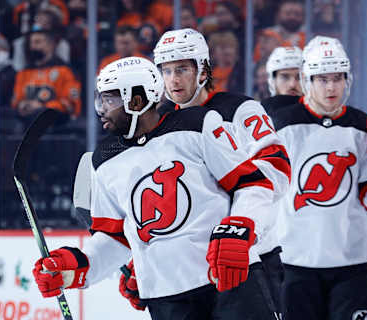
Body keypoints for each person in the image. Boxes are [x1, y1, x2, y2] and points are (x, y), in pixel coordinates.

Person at [32, 56, 290, 320]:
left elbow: (252, 183)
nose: (101, 109)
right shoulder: (104, 160)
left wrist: (241, 227)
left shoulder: (198, 124)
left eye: (109, 100)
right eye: (101, 100)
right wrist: (77, 267)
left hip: (229, 279)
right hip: (167, 297)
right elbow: (115, 237)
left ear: (137, 101)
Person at [121, 28, 291, 317]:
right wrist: (140, 258)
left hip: (252, 258)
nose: (174, 79)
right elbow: (166, 204)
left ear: (203, 70)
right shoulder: (163, 127)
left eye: (183, 69)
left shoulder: (239, 109)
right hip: (191, 271)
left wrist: (239, 224)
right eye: (166, 70)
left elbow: (276, 170)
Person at [271, 36, 367, 320]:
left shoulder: (365, 128)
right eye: (322, 79)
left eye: (337, 78)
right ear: (307, 79)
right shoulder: (281, 127)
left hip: (353, 269)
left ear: (348, 79)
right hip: (295, 267)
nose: (331, 87)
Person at [11, 28, 81, 126]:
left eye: (37, 42)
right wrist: (22, 105)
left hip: (56, 123)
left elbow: (70, 104)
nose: (32, 46)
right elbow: (16, 101)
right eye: (31, 43)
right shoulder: (24, 72)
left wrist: (42, 106)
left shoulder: (65, 71)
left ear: (51, 45)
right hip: (26, 122)